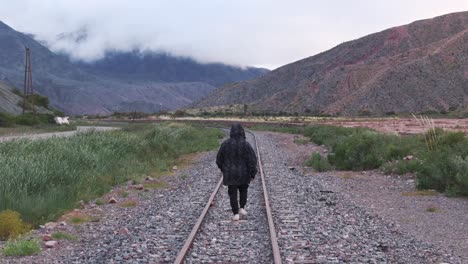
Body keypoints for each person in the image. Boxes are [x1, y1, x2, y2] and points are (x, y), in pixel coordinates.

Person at [216, 124, 258, 221]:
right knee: (244, 190)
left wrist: (224, 169)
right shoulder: (246, 144)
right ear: (242, 132)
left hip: (230, 174)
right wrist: (253, 173)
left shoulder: (225, 144)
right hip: (244, 173)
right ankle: (242, 207)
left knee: (232, 193)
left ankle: (235, 214)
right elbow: (252, 160)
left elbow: (219, 160)